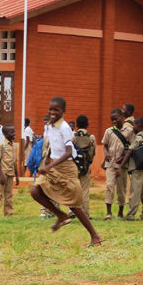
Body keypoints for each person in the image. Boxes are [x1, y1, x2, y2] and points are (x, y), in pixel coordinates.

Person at [30, 97, 102, 247]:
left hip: (67, 168)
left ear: (63, 111)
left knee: (74, 205)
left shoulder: (65, 128)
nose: (53, 112)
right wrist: (47, 161)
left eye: (57, 110)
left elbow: (69, 152)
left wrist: (49, 166)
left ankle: (95, 236)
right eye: (51, 109)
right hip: (53, 166)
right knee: (35, 191)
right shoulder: (49, 126)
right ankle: (61, 215)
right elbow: (51, 146)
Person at [101, 108, 134, 220]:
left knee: (121, 188)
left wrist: (122, 162)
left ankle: (120, 212)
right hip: (110, 164)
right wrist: (106, 154)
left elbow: (131, 149)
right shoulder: (109, 131)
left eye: (115, 119)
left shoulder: (129, 131)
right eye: (112, 120)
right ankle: (108, 213)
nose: (113, 121)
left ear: (121, 118)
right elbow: (105, 145)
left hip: (123, 166)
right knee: (109, 186)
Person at [72, 115, 96, 218]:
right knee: (85, 190)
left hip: (74, 166)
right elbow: (93, 152)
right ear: (87, 124)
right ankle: (85, 213)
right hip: (86, 166)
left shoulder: (73, 136)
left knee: (74, 189)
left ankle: (72, 212)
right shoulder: (91, 137)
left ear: (76, 125)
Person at [119, 117, 143, 220]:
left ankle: (130, 215)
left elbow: (130, 151)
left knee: (135, 191)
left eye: (134, 124)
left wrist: (121, 164)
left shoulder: (139, 137)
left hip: (138, 168)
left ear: (139, 125)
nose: (132, 127)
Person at [0, 126, 20, 217]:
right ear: (5, 134)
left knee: (9, 195)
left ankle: (9, 214)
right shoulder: (1, 145)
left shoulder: (14, 145)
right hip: (2, 173)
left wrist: (17, 176)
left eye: (14, 132)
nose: (14, 134)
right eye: (11, 132)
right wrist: (1, 175)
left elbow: (14, 161)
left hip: (11, 173)